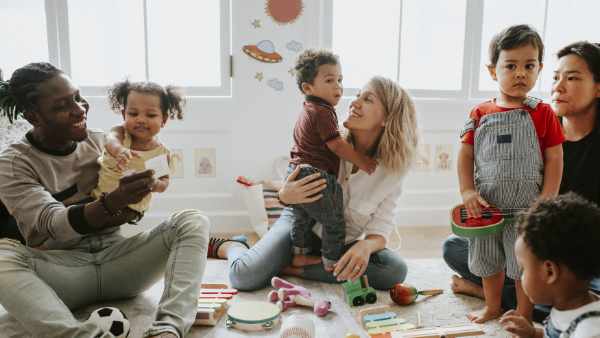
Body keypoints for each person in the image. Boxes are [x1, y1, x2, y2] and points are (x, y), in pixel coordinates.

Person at [0, 62, 209, 338]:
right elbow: (53, 224)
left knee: (192, 220)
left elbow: (136, 207)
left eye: (77, 97)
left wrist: (138, 200)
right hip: (63, 269)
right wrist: (112, 202)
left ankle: (167, 329)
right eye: (62, 106)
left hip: (117, 262)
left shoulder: (105, 143)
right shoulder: (13, 164)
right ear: (33, 116)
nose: (80, 109)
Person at [444, 40, 600, 322]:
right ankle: (511, 297)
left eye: (572, 77)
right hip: (521, 234)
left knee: (574, 286)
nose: (558, 86)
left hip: (576, 254)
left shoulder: (546, 123)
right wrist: (469, 191)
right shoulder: (527, 118)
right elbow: (469, 155)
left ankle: (498, 296)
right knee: (456, 248)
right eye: (555, 77)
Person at [214, 75, 418, 291]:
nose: (354, 102)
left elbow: (381, 230)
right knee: (244, 276)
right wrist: (285, 195)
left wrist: (365, 245)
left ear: (387, 117)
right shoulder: (327, 139)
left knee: (394, 270)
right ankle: (234, 246)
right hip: (300, 224)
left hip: (340, 242)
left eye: (367, 99)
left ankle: (294, 269)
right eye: (357, 95)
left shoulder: (392, 171)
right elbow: (288, 187)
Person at [457, 24, 564, 323]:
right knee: (487, 261)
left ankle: (523, 313)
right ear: (493, 71)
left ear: (539, 68)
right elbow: (465, 155)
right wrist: (467, 191)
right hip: (486, 207)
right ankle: (492, 306)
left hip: (527, 209)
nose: (520, 73)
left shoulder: (542, 113)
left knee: (523, 266)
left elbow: (555, 157)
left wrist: (547, 199)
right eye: (511, 66)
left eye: (529, 66)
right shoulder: (479, 114)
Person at [287, 49, 377, 271]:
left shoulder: (308, 109)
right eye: (329, 80)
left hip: (297, 171)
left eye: (340, 79)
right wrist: (363, 162)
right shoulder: (322, 111)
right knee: (334, 220)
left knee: (303, 217)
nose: (338, 86)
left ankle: (299, 253)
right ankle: (332, 261)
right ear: (308, 88)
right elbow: (336, 145)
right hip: (315, 174)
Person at [500, 193, 600, 338]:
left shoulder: (589, 331)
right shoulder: (567, 305)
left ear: (550, 272)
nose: (520, 277)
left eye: (523, 269)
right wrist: (534, 333)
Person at [91, 80, 184, 220]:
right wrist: (119, 150)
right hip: (101, 202)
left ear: (163, 119)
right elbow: (110, 140)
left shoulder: (161, 153)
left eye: (151, 115)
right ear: (124, 115)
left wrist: (154, 183)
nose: (140, 119)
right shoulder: (121, 133)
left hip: (131, 211)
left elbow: (164, 183)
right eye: (133, 114)